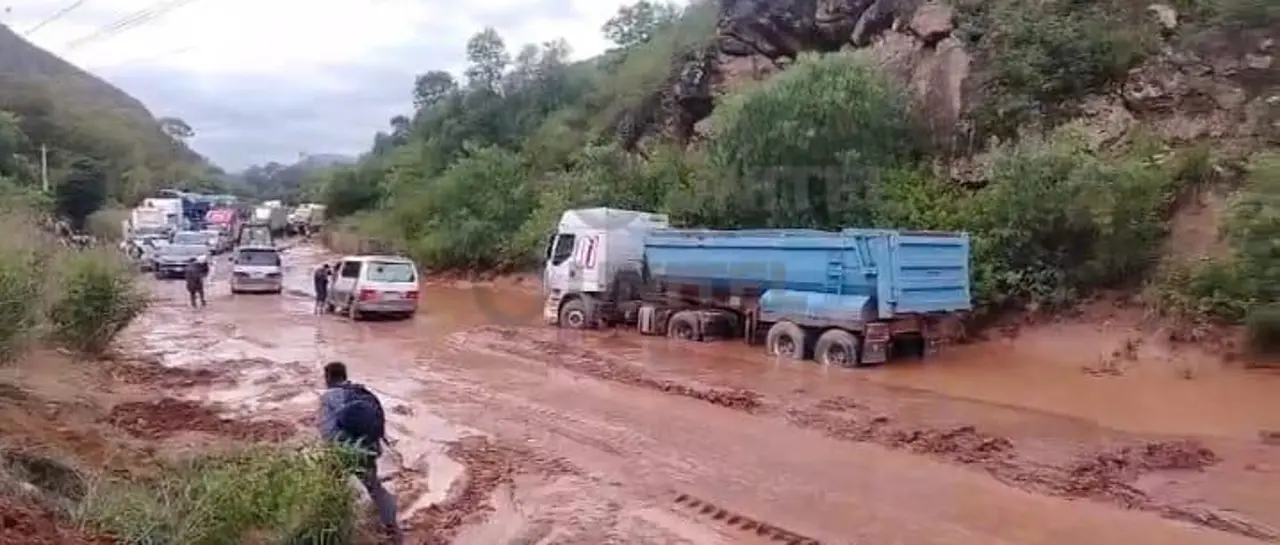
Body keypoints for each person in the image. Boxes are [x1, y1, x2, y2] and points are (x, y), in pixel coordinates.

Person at [318, 362, 400, 542]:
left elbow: (327, 431)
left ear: (328, 378)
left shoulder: (328, 397)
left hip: (341, 453)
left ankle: (332, 532)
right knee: (375, 488)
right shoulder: (363, 393)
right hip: (367, 450)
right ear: (345, 375)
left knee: (329, 489)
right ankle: (393, 529)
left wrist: (329, 453)